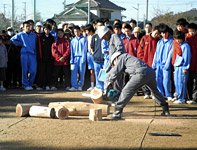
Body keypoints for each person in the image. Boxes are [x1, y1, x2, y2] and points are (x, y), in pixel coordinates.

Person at [105, 52, 170, 120]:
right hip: (150, 72)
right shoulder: (128, 58)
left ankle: (117, 112)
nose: (114, 65)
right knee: (155, 91)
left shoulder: (121, 57)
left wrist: (108, 82)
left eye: (113, 64)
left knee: (126, 90)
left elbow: (115, 71)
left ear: (115, 59)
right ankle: (165, 109)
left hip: (140, 73)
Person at [10, 21, 37, 90]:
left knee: (33, 71)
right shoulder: (20, 34)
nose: (28, 27)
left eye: (29, 26)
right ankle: (25, 85)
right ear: (23, 28)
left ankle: (30, 84)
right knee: (24, 71)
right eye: (26, 26)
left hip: (32, 55)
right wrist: (20, 44)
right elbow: (12, 40)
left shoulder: (34, 35)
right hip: (24, 54)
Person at [137, 25, 161, 99]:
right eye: (155, 33)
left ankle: (153, 93)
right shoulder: (144, 38)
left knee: (154, 79)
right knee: (144, 78)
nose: (156, 35)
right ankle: (146, 93)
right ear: (152, 30)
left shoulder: (159, 40)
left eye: (158, 34)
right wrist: (141, 60)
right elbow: (139, 51)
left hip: (154, 63)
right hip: (145, 62)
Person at [152, 23, 173, 100]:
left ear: (168, 32)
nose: (164, 34)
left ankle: (168, 94)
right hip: (158, 64)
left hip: (166, 65)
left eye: (165, 33)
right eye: (162, 33)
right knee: (158, 79)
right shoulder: (159, 42)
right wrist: (154, 64)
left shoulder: (171, 42)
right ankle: (160, 94)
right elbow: (156, 54)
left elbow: (170, 55)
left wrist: (167, 64)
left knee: (166, 80)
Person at [172, 31, 191, 104]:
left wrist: (185, 68)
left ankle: (182, 99)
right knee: (177, 83)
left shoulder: (185, 46)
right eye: (177, 39)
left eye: (179, 39)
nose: (177, 40)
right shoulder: (179, 45)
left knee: (182, 84)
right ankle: (179, 97)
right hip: (177, 67)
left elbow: (186, 58)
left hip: (182, 67)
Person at [36, 24, 55, 90]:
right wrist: (39, 56)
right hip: (42, 58)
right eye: (45, 29)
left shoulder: (52, 37)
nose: (46, 31)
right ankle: (40, 85)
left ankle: (47, 85)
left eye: (48, 29)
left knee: (48, 72)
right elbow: (39, 47)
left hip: (49, 58)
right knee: (41, 72)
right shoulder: (40, 37)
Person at [69, 25, 87, 91]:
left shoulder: (84, 39)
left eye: (77, 31)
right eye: (75, 32)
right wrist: (72, 59)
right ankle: (74, 86)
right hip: (75, 58)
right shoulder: (73, 40)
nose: (76, 33)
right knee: (73, 72)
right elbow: (72, 51)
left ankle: (80, 86)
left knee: (82, 73)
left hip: (81, 58)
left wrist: (83, 59)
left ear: (80, 31)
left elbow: (85, 50)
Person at [90, 20, 105, 91]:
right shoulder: (94, 36)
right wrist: (94, 54)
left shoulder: (106, 36)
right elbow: (91, 47)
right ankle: (99, 88)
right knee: (97, 74)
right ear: (96, 27)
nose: (100, 27)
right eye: (99, 25)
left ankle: (105, 89)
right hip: (96, 59)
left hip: (104, 60)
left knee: (104, 75)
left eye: (102, 25)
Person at [186, 23, 197, 104]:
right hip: (188, 65)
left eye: (192, 31)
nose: (191, 33)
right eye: (190, 31)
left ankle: (194, 98)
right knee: (188, 82)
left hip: (195, 65)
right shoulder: (186, 38)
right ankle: (188, 97)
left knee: (195, 82)